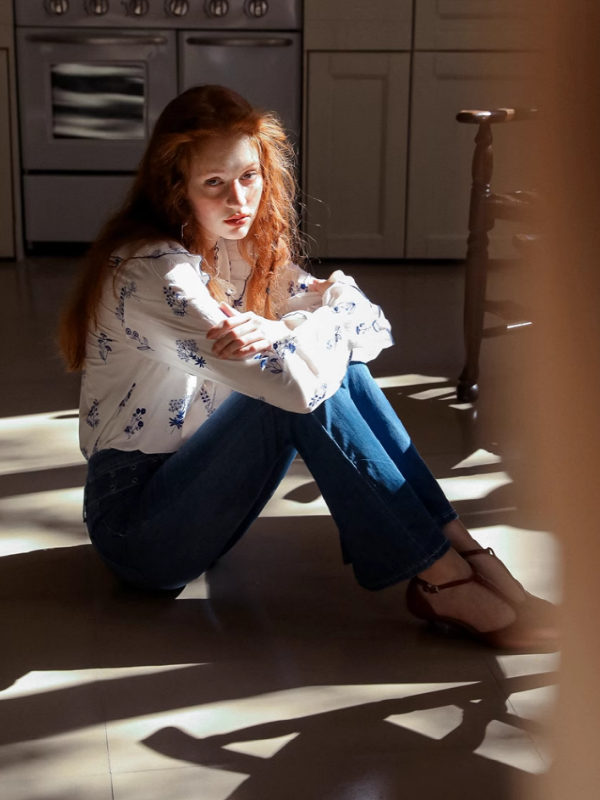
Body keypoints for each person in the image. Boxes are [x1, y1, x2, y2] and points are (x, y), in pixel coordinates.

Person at [59, 85, 557, 652]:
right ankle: (447, 579)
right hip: (139, 530)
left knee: (338, 370)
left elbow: (372, 330)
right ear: (177, 188)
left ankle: (458, 551)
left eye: (249, 176)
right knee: (299, 390)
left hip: (199, 495)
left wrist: (283, 329)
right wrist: (305, 326)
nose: (239, 200)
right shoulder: (154, 275)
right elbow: (295, 387)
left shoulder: (236, 248)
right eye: (214, 184)